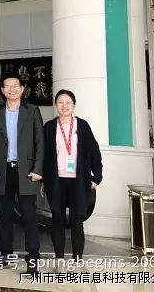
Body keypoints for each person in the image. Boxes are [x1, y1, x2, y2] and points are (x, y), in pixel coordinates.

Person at [0, 72, 44, 275]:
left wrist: (38, 169)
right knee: (5, 216)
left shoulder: (32, 110)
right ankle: (6, 254)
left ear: (22, 89)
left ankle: (33, 258)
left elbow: (40, 142)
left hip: (27, 172)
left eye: (15, 85)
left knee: (29, 216)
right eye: (7, 86)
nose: (11, 89)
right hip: (3, 171)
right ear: (2, 90)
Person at [43, 89, 102, 262]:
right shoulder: (49, 127)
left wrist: (96, 177)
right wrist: (43, 179)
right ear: (56, 105)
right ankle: (59, 259)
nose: (64, 106)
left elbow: (94, 151)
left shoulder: (82, 126)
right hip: (56, 181)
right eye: (60, 102)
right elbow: (43, 154)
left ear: (73, 105)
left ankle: (77, 260)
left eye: (68, 102)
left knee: (77, 222)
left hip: (79, 181)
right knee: (57, 220)